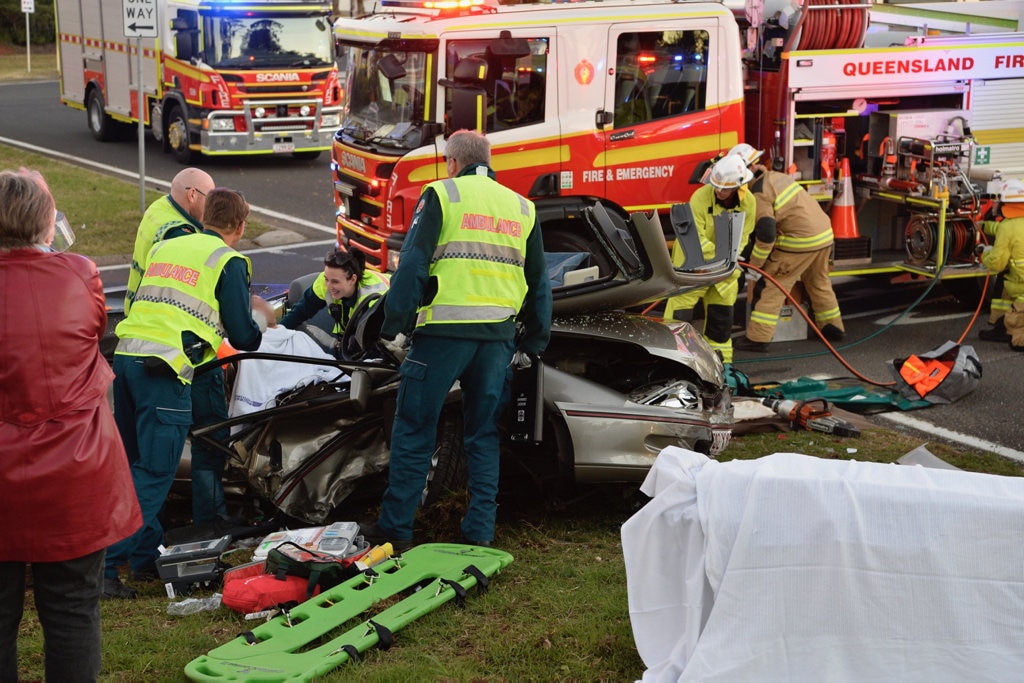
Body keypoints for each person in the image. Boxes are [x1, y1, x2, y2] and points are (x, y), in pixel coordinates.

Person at [365, 129, 552, 549]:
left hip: (442, 337)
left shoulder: (441, 195)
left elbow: (412, 263)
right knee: (483, 434)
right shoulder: (523, 207)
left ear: (452, 162)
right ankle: (480, 533)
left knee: (415, 427)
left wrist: (394, 324)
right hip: (497, 340)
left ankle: (396, 530)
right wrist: (534, 342)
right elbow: (539, 283)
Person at [0, 169, 142, 679]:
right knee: (73, 613)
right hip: (73, 474)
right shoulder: (80, 274)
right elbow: (92, 326)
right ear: (46, 223)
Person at [104, 188, 269, 599]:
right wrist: (266, 323)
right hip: (163, 371)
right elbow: (243, 334)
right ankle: (104, 568)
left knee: (136, 468)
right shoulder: (228, 261)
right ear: (241, 225)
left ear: (204, 214)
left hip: (124, 360)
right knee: (155, 473)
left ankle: (144, 561)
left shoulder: (170, 245)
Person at [663, 151, 775, 363]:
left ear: (738, 186)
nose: (719, 191)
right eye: (716, 185)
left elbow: (743, 236)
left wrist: (730, 259)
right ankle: (674, 361)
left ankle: (722, 366)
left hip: (724, 271)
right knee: (679, 316)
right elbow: (696, 237)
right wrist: (723, 257)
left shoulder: (748, 202)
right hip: (692, 266)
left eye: (725, 188)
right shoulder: (700, 197)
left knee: (721, 321)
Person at [736, 150, 845, 352]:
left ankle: (758, 339)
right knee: (818, 281)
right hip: (824, 235)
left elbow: (767, 234)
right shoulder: (776, 177)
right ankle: (832, 328)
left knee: (772, 284)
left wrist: (756, 266)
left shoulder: (759, 193)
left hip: (800, 243)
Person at [125, 167, 215, 313]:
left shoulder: (161, 206)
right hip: (157, 319)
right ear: (192, 194)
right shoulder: (179, 234)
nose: (212, 206)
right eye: (210, 199)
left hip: (138, 306)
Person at [279, 247, 390, 353]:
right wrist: (274, 333)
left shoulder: (371, 301)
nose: (328, 286)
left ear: (352, 279)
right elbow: (299, 313)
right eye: (327, 279)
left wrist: (335, 344)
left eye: (335, 282)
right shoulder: (326, 281)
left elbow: (366, 347)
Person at [977, 178, 1024, 350]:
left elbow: (997, 263)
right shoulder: (1014, 223)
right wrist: (983, 226)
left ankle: (1014, 336)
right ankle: (1000, 328)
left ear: (1006, 203)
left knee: (1017, 332)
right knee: (1005, 292)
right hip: (1018, 279)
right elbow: (1005, 230)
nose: (996, 203)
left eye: (999, 200)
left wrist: (984, 253)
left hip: (1021, 284)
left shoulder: (1008, 228)